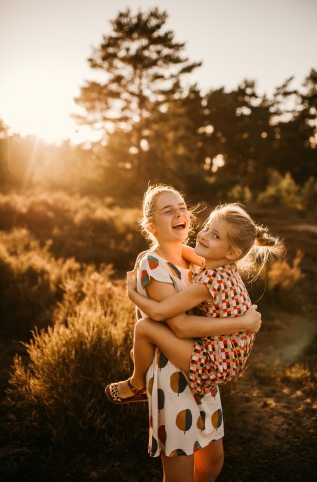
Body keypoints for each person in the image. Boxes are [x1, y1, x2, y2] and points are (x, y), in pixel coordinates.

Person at [105, 185, 262, 482]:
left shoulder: (193, 257)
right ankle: (137, 384)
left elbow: (223, 277)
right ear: (151, 226)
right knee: (181, 466)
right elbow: (178, 325)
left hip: (203, 367)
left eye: (181, 207)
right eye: (168, 210)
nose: (179, 213)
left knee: (213, 459)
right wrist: (243, 323)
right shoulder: (152, 262)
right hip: (173, 376)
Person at [112, 203, 284, 398]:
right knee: (150, 334)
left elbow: (160, 312)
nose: (204, 235)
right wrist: (153, 251)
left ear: (232, 253)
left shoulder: (209, 283)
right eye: (208, 227)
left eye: (215, 236)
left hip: (211, 364)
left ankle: (136, 384)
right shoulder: (223, 267)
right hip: (228, 360)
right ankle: (144, 356)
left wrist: (132, 293)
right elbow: (183, 250)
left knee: (144, 327)